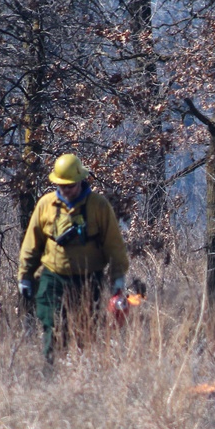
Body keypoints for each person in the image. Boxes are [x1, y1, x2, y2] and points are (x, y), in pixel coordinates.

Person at [18, 153, 130, 364]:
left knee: (86, 331)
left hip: (89, 280)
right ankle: (50, 375)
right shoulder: (45, 205)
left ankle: (82, 377)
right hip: (53, 278)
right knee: (52, 326)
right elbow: (31, 244)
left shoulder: (99, 206)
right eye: (62, 185)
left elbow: (114, 246)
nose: (66, 189)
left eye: (70, 185)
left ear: (80, 181)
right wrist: (25, 275)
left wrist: (118, 280)